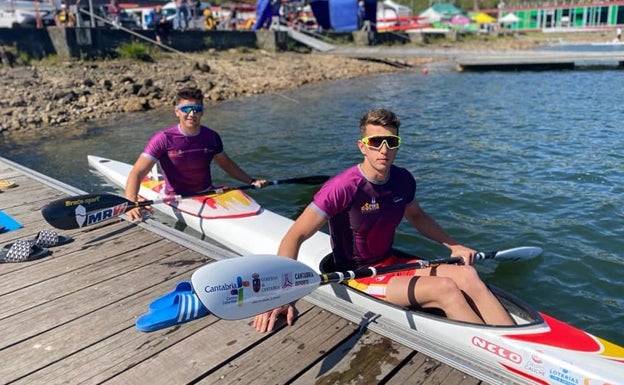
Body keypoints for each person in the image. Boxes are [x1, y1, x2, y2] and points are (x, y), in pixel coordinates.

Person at [253, 108, 515, 333]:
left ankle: (515, 341)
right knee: (445, 288)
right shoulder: (342, 187)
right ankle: (497, 354)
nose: (384, 149)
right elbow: (295, 236)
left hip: (390, 263)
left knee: (467, 274)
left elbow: (416, 216)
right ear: (362, 146)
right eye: (376, 142)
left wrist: (454, 245)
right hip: (358, 276)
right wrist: (281, 295)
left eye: (391, 142)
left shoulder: (403, 180)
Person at [124, 87, 267, 221]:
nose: (192, 114)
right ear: (177, 111)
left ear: (202, 112)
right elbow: (137, 172)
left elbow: (227, 165)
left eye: (197, 109)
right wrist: (131, 202)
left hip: (207, 192)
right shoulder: (163, 138)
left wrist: (251, 181)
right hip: (176, 197)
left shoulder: (211, 137)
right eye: (186, 109)